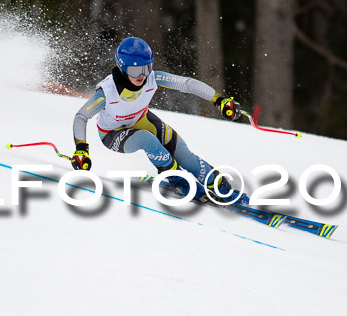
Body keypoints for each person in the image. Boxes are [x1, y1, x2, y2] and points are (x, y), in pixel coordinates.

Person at [70, 36, 248, 204]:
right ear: (123, 68)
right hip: (112, 134)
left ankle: (221, 188)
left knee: (186, 157)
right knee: (147, 140)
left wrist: (219, 99)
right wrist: (81, 150)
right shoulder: (107, 91)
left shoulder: (152, 78)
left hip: (141, 120)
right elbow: (81, 116)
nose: (142, 75)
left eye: (147, 68)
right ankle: (176, 177)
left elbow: (186, 84)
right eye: (135, 70)